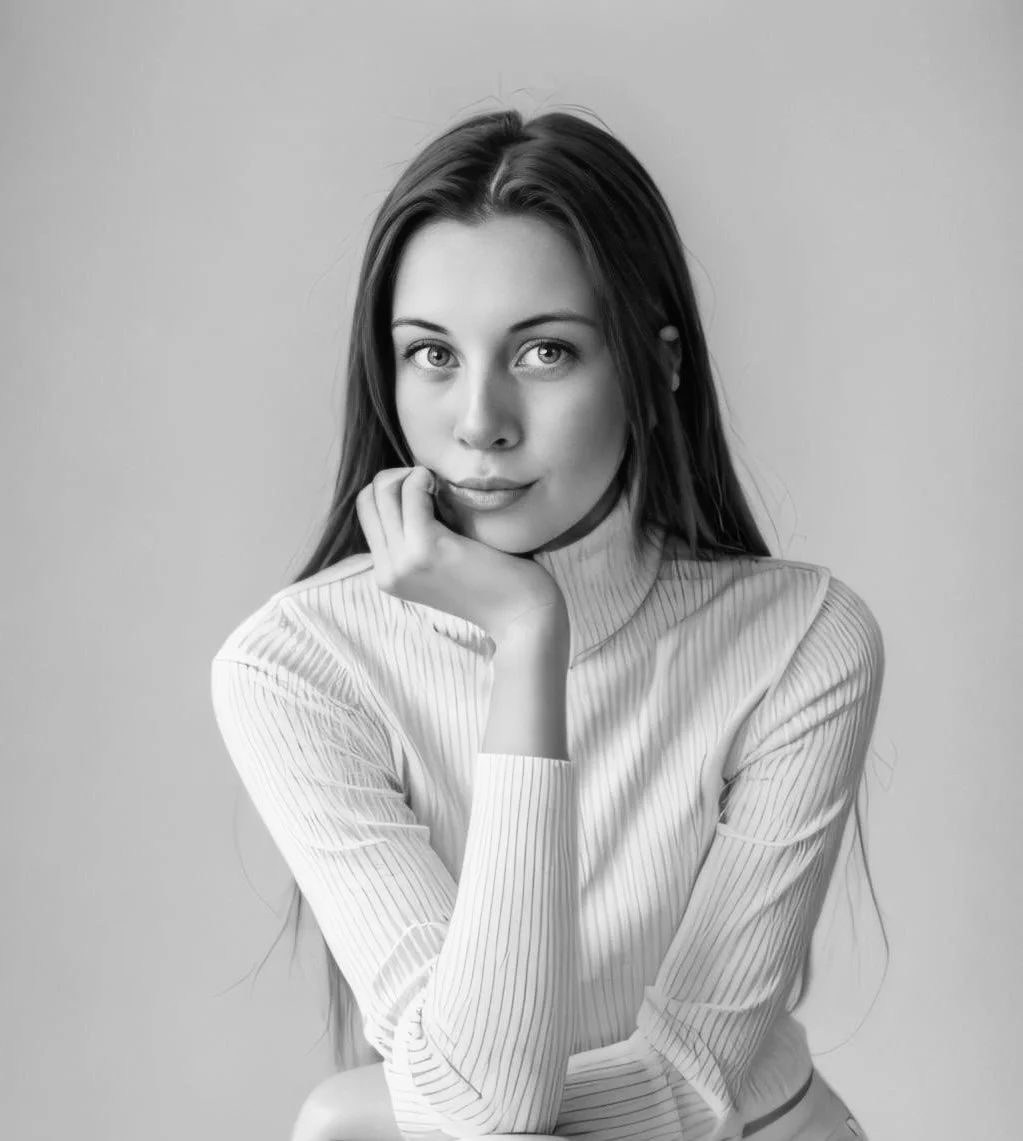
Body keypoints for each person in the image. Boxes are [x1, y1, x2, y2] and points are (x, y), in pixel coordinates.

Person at [210, 107, 884, 1141]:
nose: (479, 421)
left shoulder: (802, 639)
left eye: (544, 353)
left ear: (658, 363)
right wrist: (530, 634)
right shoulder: (295, 668)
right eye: (431, 354)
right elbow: (487, 1109)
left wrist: (376, 1109)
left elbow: (685, 1077)